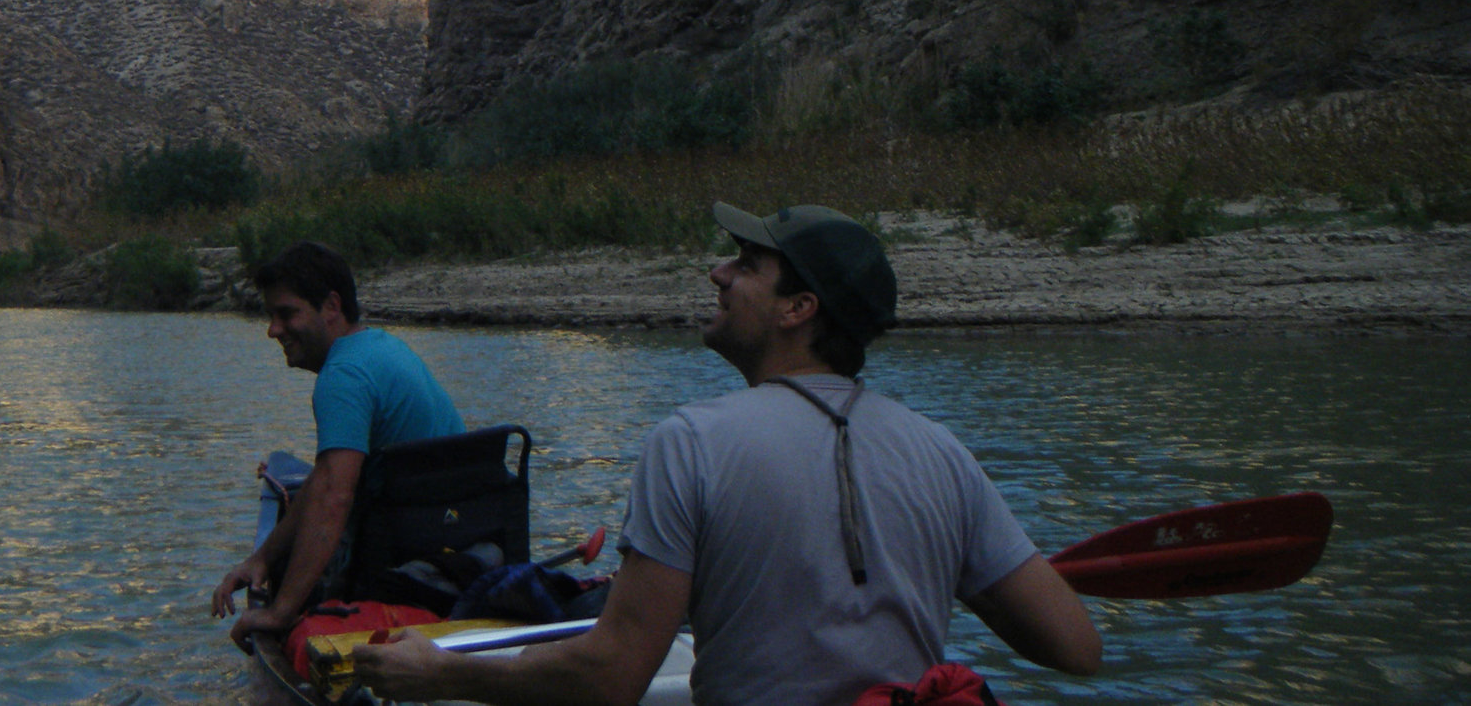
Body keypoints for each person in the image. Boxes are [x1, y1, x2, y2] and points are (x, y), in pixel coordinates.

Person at [353, 202, 1102, 705]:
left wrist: (443, 671)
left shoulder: (692, 443)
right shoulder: (943, 455)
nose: (719, 271)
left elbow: (615, 670)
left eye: (746, 263)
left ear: (798, 308)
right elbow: (1076, 646)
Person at [210, 238, 464, 649]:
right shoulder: (382, 348)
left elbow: (333, 497)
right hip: (455, 543)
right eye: (270, 315)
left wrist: (280, 611)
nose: (273, 330)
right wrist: (262, 559)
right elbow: (323, 483)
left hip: (410, 567)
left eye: (287, 314)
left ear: (331, 307)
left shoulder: (342, 376)